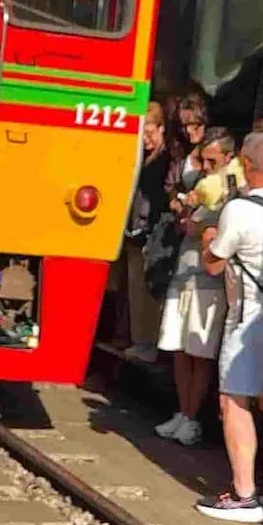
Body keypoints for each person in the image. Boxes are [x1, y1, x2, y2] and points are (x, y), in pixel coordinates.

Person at [195, 132, 263, 522]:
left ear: (248, 165)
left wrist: (208, 239)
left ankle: (243, 494)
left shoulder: (238, 209)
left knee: (233, 400)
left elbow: (215, 262)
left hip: (248, 318)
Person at [156, 127, 240, 446]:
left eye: (212, 160)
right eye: (202, 160)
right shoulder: (203, 186)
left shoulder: (233, 190)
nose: (205, 167)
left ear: (229, 158)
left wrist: (192, 220)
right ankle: (181, 411)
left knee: (199, 349)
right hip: (185, 271)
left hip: (209, 280)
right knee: (179, 346)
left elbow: (199, 225)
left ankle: (192, 417)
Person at [120, 102, 170, 364]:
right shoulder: (142, 155)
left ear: (161, 128)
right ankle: (139, 341)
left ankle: (148, 344)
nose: (146, 139)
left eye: (150, 132)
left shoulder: (166, 159)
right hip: (134, 230)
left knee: (147, 292)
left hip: (150, 232)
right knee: (135, 289)